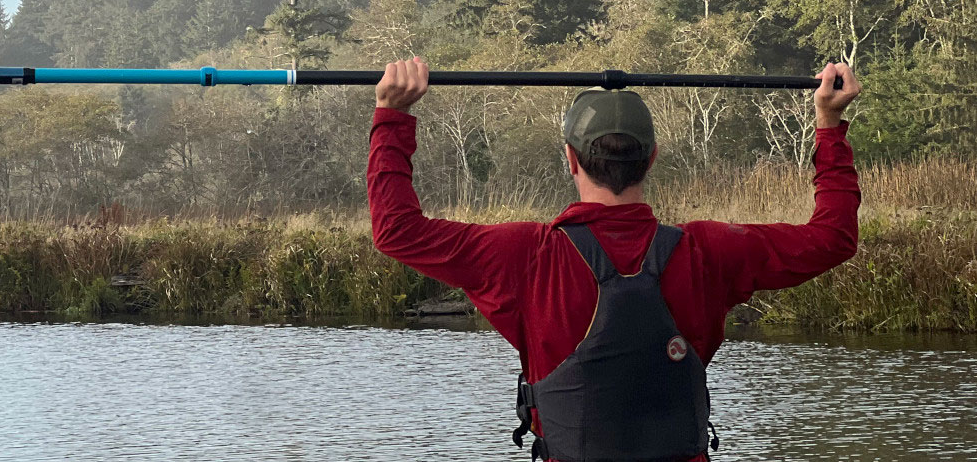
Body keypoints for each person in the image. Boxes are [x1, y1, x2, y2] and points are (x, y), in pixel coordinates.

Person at [367, 57, 861, 462]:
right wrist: (829, 125)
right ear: (651, 158)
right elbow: (833, 237)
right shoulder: (710, 250)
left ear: (571, 158)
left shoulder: (525, 255)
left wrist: (394, 116)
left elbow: (397, 231)